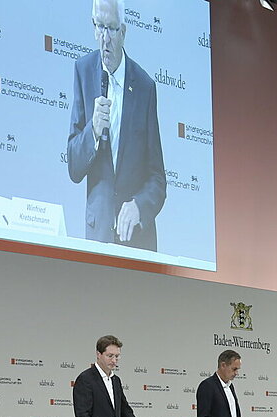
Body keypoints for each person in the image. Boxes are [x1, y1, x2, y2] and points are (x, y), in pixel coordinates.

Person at [67, 0, 166, 251]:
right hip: (98, 236)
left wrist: (139, 205)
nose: (105, 38)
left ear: (123, 31)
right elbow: (74, 168)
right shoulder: (83, 71)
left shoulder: (144, 86)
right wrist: (92, 131)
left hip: (136, 241)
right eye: (99, 27)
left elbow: (157, 179)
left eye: (111, 28)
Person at [72, 334, 150, 417]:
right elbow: (82, 415)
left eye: (117, 356)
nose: (114, 360)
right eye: (110, 356)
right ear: (98, 354)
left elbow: (126, 413)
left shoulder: (116, 380)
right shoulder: (85, 379)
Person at [196, 350, 256, 417]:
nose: (237, 373)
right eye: (234, 369)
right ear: (223, 365)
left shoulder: (230, 387)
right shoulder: (207, 385)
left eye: (238, 369)